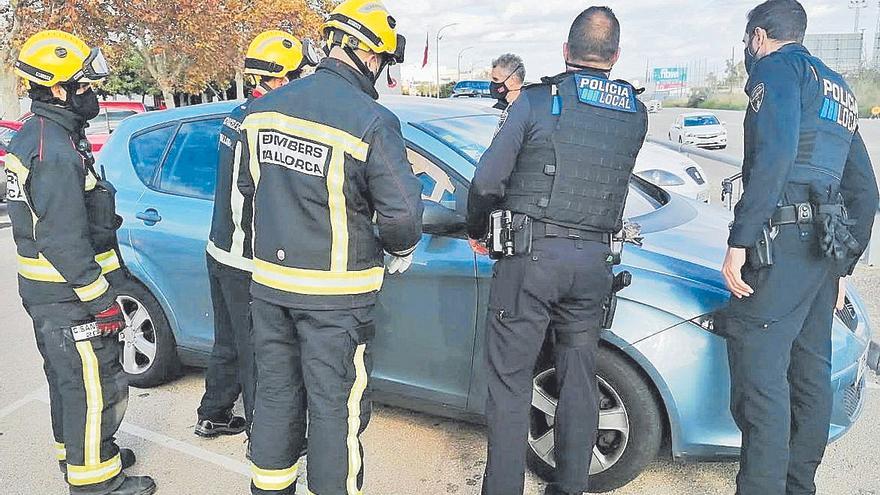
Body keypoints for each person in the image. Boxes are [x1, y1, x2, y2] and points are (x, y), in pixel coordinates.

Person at [240, 0, 423, 493]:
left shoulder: (260, 112)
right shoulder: (370, 120)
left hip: (270, 288)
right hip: (337, 299)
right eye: (383, 62)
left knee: (276, 396)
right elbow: (402, 215)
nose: (382, 73)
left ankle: (270, 487)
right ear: (367, 54)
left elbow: (250, 191)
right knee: (334, 409)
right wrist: (399, 248)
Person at [467, 7, 647, 495]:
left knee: (509, 383)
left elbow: (487, 181)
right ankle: (569, 488)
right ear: (615, 56)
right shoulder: (635, 111)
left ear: (565, 52)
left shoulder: (536, 101)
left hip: (531, 259)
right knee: (579, 377)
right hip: (594, 265)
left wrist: (478, 227)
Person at [716, 1, 879, 494]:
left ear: (760, 37)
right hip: (822, 254)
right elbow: (865, 191)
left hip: (782, 243)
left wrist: (739, 241)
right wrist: (843, 267)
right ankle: (797, 487)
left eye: (750, 40)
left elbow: (776, 156)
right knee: (811, 374)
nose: (749, 49)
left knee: (761, 380)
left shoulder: (776, 69)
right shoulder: (839, 89)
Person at [7, 30, 155, 495]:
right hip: (68, 295)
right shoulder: (52, 150)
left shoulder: (49, 136)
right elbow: (64, 239)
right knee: (92, 384)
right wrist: (103, 302)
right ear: (56, 90)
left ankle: (85, 454)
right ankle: (96, 482)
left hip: (51, 294)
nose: (93, 94)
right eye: (84, 86)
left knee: (68, 381)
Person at [196, 30, 319, 439]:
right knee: (256, 354)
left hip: (219, 249)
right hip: (243, 255)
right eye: (298, 75)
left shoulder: (239, 112)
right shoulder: (264, 124)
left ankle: (212, 414)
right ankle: (260, 436)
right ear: (279, 79)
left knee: (227, 341)